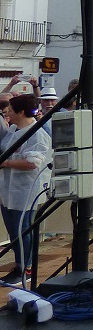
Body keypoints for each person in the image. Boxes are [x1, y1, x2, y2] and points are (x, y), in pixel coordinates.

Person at [0, 93, 52, 286]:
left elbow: (33, 162)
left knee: (23, 230)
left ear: (21, 112)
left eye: (11, 110)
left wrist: (6, 163)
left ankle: (26, 268)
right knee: (13, 230)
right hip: (8, 189)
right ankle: (19, 264)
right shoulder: (13, 130)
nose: (8, 113)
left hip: (25, 190)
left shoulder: (37, 133)